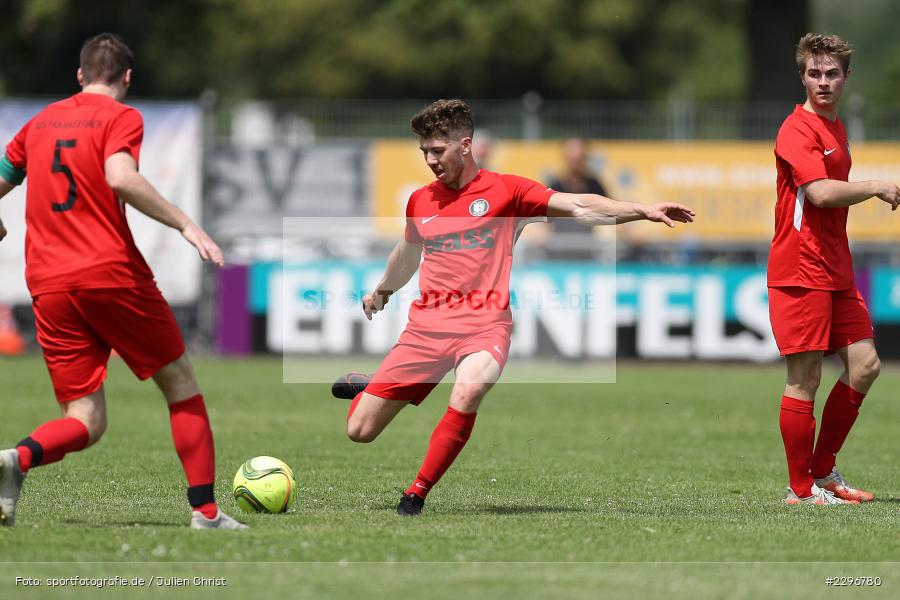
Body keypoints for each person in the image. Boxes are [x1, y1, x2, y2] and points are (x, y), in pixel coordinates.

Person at [332, 99, 694, 516]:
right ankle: (373, 387)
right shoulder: (420, 201)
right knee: (360, 430)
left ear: (465, 145)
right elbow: (407, 252)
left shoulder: (508, 192)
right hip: (426, 329)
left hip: (485, 325)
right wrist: (383, 290)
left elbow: (580, 206)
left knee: (469, 389)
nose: (430, 160)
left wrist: (641, 211)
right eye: (424, 152)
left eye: (438, 151)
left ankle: (416, 494)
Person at [0, 33, 245, 529]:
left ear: (80, 74)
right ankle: (205, 512)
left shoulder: (39, 122)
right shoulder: (120, 117)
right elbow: (120, 176)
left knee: (84, 419)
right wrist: (187, 225)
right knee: (180, 383)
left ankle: (15, 459)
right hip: (109, 273)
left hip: (48, 283)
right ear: (127, 77)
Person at [768, 33, 900, 505]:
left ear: (846, 77)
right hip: (800, 267)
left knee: (865, 366)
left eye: (831, 73)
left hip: (835, 267)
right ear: (802, 77)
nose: (822, 81)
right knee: (804, 378)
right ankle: (800, 490)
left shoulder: (836, 127)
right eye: (814, 73)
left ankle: (823, 472)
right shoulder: (796, 129)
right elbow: (821, 193)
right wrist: (876, 185)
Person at [545, 137, 610, 259]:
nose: (575, 163)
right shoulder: (555, 186)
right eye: (571, 159)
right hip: (558, 251)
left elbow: (611, 211)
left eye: (579, 158)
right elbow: (542, 221)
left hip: (588, 249)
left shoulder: (594, 185)